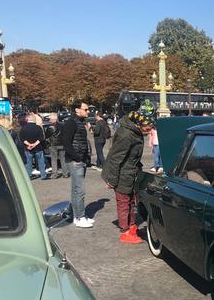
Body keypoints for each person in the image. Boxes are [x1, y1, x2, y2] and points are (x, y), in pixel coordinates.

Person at [102, 111, 155, 244]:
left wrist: (139, 167)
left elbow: (132, 156)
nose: (150, 130)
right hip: (121, 174)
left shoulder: (135, 132)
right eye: (148, 127)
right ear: (139, 124)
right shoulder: (126, 135)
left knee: (131, 201)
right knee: (124, 202)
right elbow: (115, 159)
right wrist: (112, 181)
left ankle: (132, 227)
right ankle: (125, 232)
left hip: (131, 172)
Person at [61, 100, 94, 228]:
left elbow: (81, 142)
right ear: (77, 109)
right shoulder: (71, 123)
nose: (88, 111)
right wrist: (77, 158)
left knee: (76, 190)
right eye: (85, 109)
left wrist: (84, 159)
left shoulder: (79, 122)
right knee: (79, 190)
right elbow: (67, 143)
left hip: (80, 160)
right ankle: (79, 217)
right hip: (75, 161)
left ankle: (77, 216)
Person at [19, 113, 48, 180]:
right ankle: (43, 175)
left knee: (29, 162)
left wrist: (29, 144)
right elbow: (41, 138)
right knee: (41, 161)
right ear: (34, 119)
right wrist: (34, 144)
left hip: (28, 148)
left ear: (27, 119)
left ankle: (29, 175)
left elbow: (22, 138)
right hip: (38, 148)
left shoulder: (23, 128)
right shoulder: (38, 127)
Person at [45, 113, 68, 178]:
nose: (49, 120)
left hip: (53, 145)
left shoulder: (50, 127)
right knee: (63, 159)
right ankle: (65, 173)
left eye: (50, 119)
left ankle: (55, 174)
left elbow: (47, 135)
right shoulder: (63, 125)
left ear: (53, 119)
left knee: (54, 160)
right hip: (62, 144)